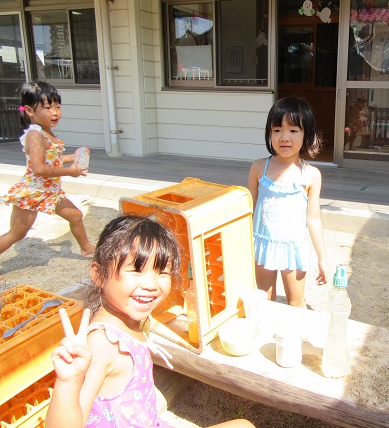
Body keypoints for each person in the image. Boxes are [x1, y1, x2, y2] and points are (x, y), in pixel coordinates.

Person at [46, 215, 255, 428]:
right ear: (99, 275)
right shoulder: (102, 343)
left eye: (162, 271)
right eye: (136, 270)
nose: (151, 285)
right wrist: (68, 381)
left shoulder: (131, 319)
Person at [0, 82, 95, 279]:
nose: (55, 113)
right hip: (33, 192)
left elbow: (53, 159)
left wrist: (75, 156)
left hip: (50, 192)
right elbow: (39, 168)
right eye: (47, 107)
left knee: (75, 216)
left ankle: (86, 248)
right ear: (29, 111)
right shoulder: (35, 135)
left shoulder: (47, 133)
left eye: (58, 107)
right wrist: (70, 172)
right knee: (17, 234)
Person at [248, 97, 328, 308]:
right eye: (277, 130)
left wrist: (322, 258)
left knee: (296, 302)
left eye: (293, 130)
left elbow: (314, 219)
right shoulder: (258, 168)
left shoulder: (311, 175)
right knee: (264, 300)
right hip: (263, 245)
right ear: (269, 133)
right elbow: (248, 209)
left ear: (306, 134)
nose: (284, 137)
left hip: (294, 247)